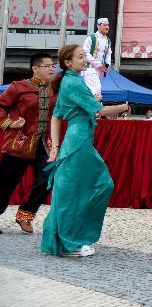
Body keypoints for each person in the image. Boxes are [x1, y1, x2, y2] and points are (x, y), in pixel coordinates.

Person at [40, 44, 129, 257]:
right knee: (85, 188)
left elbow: (56, 116)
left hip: (76, 141)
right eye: (80, 57)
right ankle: (70, 243)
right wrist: (124, 106)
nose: (84, 59)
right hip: (78, 142)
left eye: (84, 56)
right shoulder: (72, 83)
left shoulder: (69, 82)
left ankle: (68, 238)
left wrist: (56, 148)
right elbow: (101, 110)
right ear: (68, 63)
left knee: (75, 190)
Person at [0, 52, 57, 234]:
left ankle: (25, 215)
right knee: (6, 184)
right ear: (35, 68)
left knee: (47, 179)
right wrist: (10, 123)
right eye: (47, 65)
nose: (52, 68)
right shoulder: (19, 87)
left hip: (42, 144)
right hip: (19, 143)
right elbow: (1, 107)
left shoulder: (54, 90)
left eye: (53, 65)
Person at [82, 17, 112, 100]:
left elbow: (109, 54)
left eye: (108, 25)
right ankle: (96, 108)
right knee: (96, 88)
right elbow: (85, 53)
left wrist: (107, 64)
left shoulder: (108, 40)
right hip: (90, 68)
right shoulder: (91, 38)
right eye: (104, 25)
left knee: (93, 89)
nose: (107, 27)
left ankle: (94, 108)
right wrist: (98, 64)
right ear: (98, 26)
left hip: (100, 71)